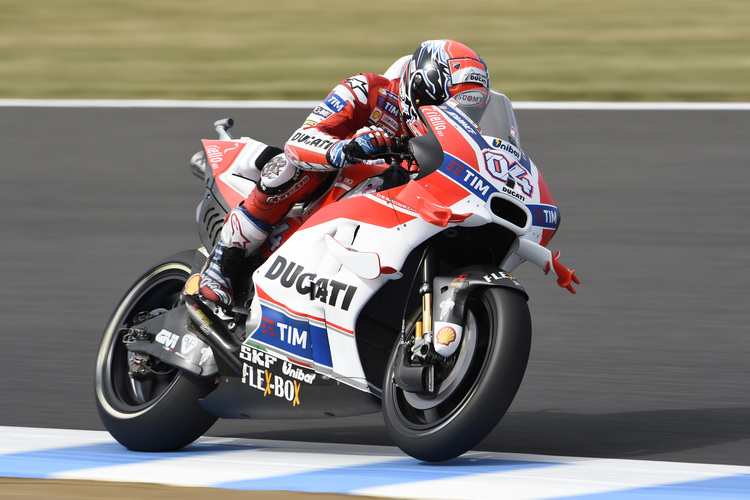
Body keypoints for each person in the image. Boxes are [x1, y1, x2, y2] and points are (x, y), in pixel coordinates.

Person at [199, 39, 491, 307]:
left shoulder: (461, 139)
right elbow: (300, 141)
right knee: (286, 167)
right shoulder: (369, 91)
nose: (462, 117)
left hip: (399, 215)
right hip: (337, 188)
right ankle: (224, 260)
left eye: (471, 110)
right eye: (451, 105)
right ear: (423, 89)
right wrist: (347, 149)